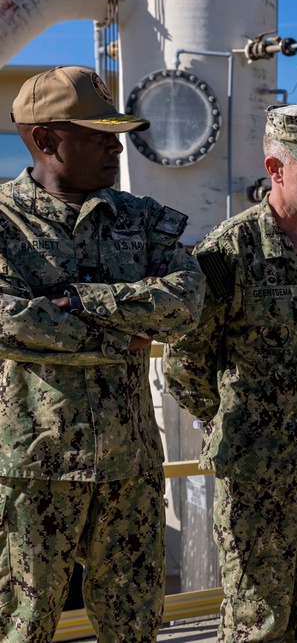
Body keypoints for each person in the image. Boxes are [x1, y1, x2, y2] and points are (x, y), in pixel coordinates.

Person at [0, 66, 204, 642]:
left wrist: (73, 302)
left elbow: (186, 303)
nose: (117, 146)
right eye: (97, 134)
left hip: (129, 467)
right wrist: (123, 335)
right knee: (21, 627)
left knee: (135, 627)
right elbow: (8, 321)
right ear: (44, 138)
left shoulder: (141, 219)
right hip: (33, 470)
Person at [163, 104, 297, 641]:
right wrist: (240, 424)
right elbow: (185, 362)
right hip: (259, 480)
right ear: (275, 168)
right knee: (257, 624)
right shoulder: (229, 251)